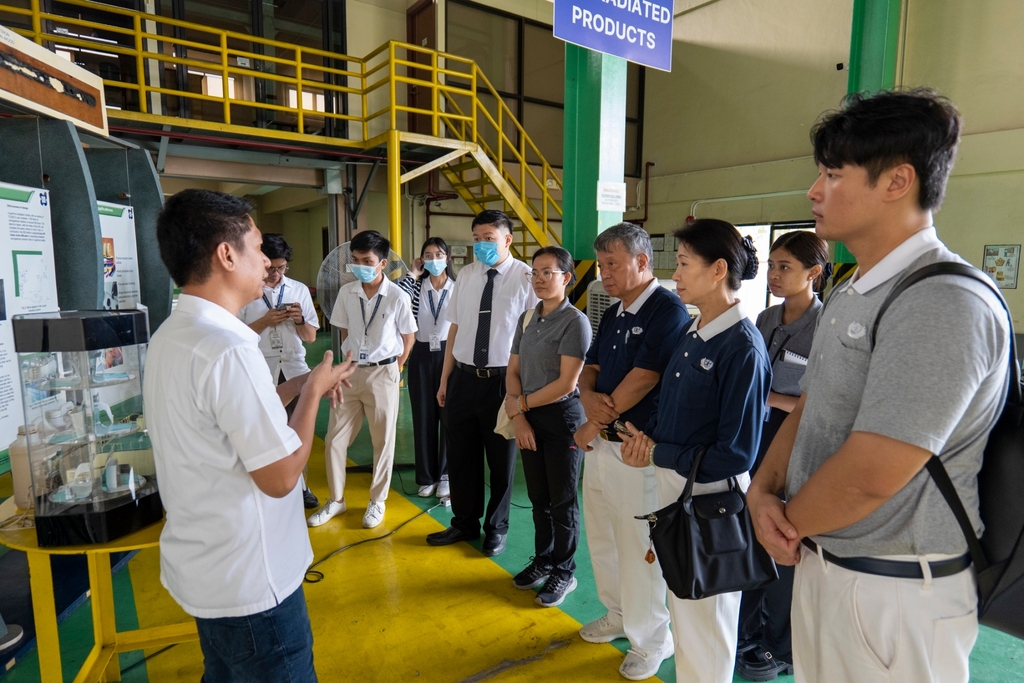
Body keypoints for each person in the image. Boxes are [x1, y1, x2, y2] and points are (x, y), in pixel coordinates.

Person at [748, 89, 1010, 683]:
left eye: (832, 175)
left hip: (895, 591)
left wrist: (783, 520)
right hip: (826, 561)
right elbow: (812, 407)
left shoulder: (942, 300)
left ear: (897, 181)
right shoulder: (853, 290)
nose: (814, 192)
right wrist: (762, 492)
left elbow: (874, 469)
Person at [145, 189, 355, 682]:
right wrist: (311, 398)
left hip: (208, 573)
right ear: (226, 254)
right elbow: (281, 477)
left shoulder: (174, 336)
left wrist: (305, 382)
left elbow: (227, 422)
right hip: (253, 587)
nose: (265, 261)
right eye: (257, 247)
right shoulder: (229, 349)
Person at [620, 219, 771, 683]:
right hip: (677, 490)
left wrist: (662, 454)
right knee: (685, 610)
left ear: (718, 269)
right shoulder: (694, 330)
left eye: (684, 263)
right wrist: (646, 443)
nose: (675, 274)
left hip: (711, 502)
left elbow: (736, 454)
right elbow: (671, 406)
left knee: (707, 623)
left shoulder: (742, 347)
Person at [573, 222, 690, 681]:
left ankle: (651, 641)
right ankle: (617, 614)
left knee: (638, 547)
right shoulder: (615, 312)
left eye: (613, 264)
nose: (604, 274)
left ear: (643, 262)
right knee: (602, 537)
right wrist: (586, 399)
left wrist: (593, 420)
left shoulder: (667, 310)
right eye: (601, 265)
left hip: (635, 450)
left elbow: (646, 376)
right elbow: (592, 367)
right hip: (602, 444)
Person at [736, 230, 829, 681]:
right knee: (754, 534)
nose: (773, 274)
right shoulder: (765, 317)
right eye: (772, 266)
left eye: (785, 267)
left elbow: (821, 404)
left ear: (814, 273)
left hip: (794, 441)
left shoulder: (825, 328)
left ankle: (782, 647)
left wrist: (769, 398)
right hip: (756, 437)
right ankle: (749, 633)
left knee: (785, 542)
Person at [426, 210, 538, 556]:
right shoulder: (468, 277)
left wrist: (523, 393)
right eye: (476, 238)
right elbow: (454, 328)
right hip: (462, 376)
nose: (481, 245)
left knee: (501, 460)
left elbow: (533, 336)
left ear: (507, 240)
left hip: (504, 381)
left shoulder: (526, 278)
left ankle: (496, 528)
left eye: (488, 238)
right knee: (461, 456)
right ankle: (464, 522)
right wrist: (445, 379)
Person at [308, 229, 417, 530]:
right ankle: (336, 500)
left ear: (383, 263)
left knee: (383, 441)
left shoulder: (398, 296)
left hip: (384, 372)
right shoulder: (347, 293)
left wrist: (396, 368)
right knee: (333, 440)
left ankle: (377, 500)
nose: (360, 266)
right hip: (351, 371)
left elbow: (408, 338)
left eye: (367, 260)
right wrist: (344, 367)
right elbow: (343, 332)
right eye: (355, 260)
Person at [504, 246, 592, 608]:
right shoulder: (527, 319)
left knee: (562, 499)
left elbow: (567, 384)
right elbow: (513, 370)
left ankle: (565, 570)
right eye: (534, 273)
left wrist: (519, 406)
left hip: (562, 420)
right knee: (537, 497)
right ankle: (543, 559)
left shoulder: (575, 322)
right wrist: (519, 417)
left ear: (566, 278)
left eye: (547, 273)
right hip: (529, 418)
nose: (538, 279)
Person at [239, 233, 321, 510]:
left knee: (296, 431)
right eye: (270, 267)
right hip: (261, 369)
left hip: (294, 367)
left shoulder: (298, 290)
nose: (275, 274)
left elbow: (310, 337)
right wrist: (263, 322)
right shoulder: (245, 291)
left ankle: (301, 486)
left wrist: (299, 320)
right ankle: (267, 486)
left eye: (281, 268)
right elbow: (235, 337)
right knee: (265, 430)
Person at [396, 238, 456, 500]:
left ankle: (445, 475)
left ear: (448, 258)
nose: (434, 260)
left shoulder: (457, 287)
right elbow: (397, 298)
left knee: (448, 416)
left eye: (439, 254)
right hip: (421, 353)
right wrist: (413, 272)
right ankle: (426, 477)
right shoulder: (416, 287)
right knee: (423, 416)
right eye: (428, 255)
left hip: (450, 354)